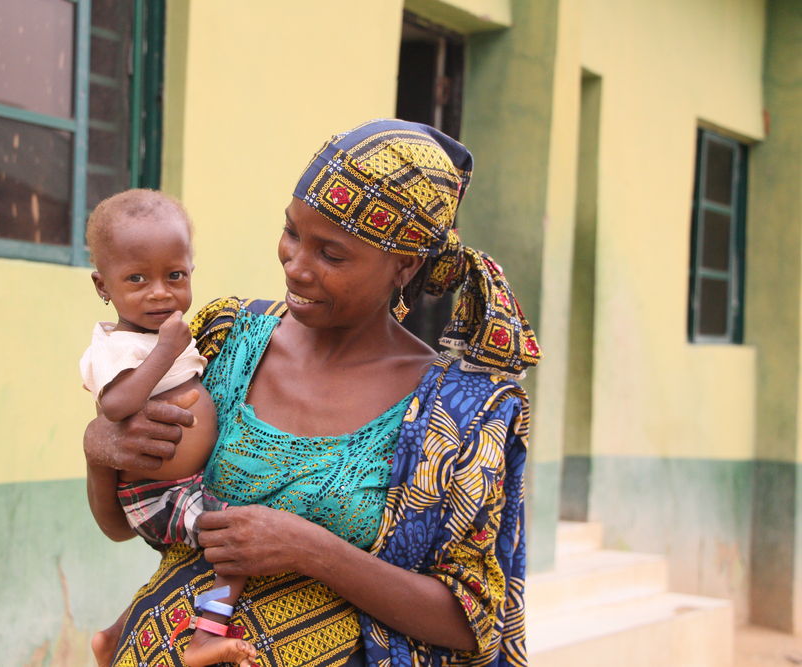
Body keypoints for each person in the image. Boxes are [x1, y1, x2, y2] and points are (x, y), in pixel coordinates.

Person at [83, 120, 541, 667]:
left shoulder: (459, 412)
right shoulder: (224, 340)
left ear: (405, 264)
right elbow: (123, 524)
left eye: (332, 254)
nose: (296, 267)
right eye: (293, 233)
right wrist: (100, 449)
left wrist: (310, 549)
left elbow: (472, 623)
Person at [79, 189, 257, 667]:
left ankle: (114, 637)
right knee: (238, 548)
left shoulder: (173, 333)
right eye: (136, 279)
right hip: (156, 492)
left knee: (194, 563)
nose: (160, 292)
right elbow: (115, 405)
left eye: (174, 276)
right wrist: (165, 349)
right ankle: (204, 639)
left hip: (186, 486)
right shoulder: (115, 347)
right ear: (103, 285)